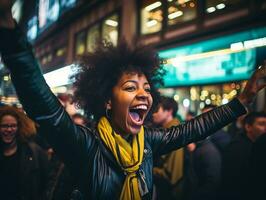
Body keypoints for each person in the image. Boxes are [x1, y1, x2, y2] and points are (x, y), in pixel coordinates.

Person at [0, 1, 265, 199]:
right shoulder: (84, 145)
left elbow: (193, 129)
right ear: (106, 100)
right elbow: (42, 104)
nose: (143, 95)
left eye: (147, 88)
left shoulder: (148, 142)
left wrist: (244, 98)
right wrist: (9, 32)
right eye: (130, 87)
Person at [0, 106, 50, 200]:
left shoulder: (35, 153)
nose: (9, 129)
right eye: (4, 126)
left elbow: (45, 185)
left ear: (19, 127)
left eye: (13, 126)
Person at [220, 112, 266, 200]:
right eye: (262, 124)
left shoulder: (257, 146)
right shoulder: (238, 149)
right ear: (248, 127)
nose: (265, 128)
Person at [152, 96, 184, 199]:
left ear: (169, 111)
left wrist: (145, 168)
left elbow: (172, 175)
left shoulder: (174, 133)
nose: (153, 114)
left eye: (156, 109)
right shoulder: (163, 131)